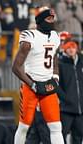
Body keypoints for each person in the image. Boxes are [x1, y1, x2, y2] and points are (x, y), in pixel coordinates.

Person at [12, 6, 64, 144]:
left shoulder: (55, 36)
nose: (52, 21)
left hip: (48, 85)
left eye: (53, 18)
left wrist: (56, 78)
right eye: (49, 18)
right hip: (31, 85)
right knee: (24, 127)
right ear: (40, 20)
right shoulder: (30, 36)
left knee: (56, 126)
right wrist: (32, 84)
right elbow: (16, 67)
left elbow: (54, 59)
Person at [58, 41, 83, 144]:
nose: (71, 49)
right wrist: (66, 99)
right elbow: (57, 86)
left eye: (73, 47)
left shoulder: (80, 64)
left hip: (80, 110)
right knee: (61, 135)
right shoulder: (61, 64)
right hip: (66, 109)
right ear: (64, 49)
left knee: (78, 136)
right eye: (68, 47)